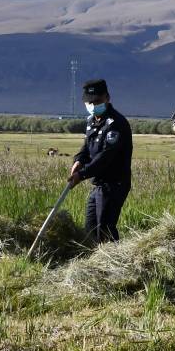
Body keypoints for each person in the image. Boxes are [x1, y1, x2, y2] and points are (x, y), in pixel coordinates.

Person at [68, 78, 132, 243]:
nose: (93, 105)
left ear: (107, 98)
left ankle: (113, 263)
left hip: (114, 185)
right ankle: (92, 263)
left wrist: (81, 175)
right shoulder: (91, 122)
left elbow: (105, 157)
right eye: (89, 102)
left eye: (97, 101)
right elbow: (87, 148)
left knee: (105, 229)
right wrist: (79, 160)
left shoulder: (116, 124)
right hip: (98, 185)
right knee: (90, 229)